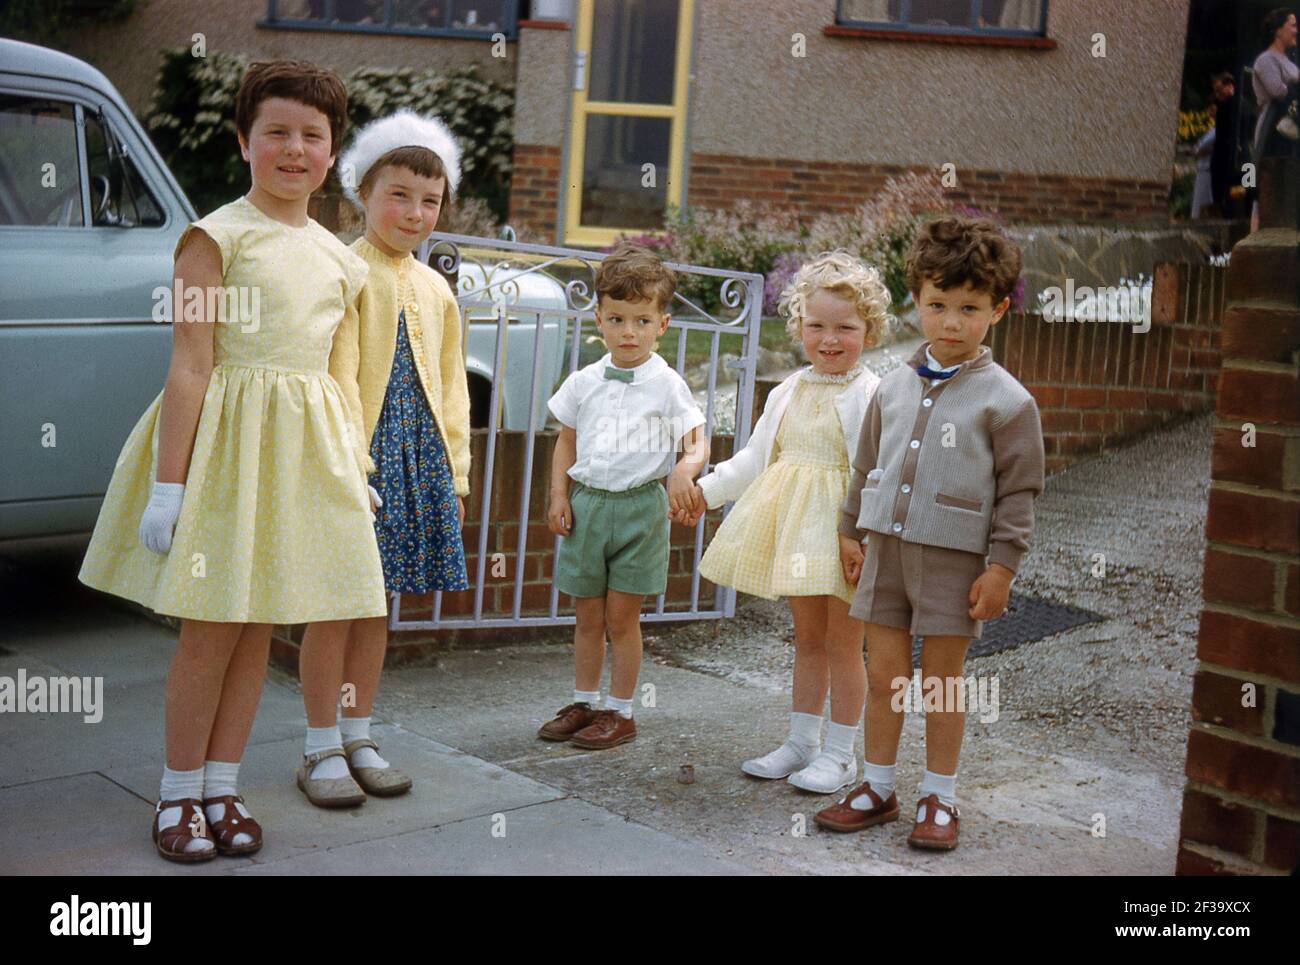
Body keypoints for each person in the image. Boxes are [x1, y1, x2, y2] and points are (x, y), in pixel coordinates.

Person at [78, 60, 385, 861]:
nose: (294, 149)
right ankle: (177, 795)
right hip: (222, 461)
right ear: (244, 142)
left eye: (311, 137)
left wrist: (353, 465)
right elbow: (189, 364)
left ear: (332, 153)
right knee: (212, 633)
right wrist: (167, 487)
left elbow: (338, 377)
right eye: (276, 132)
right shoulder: (211, 238)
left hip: (296, 463)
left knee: (257, 633)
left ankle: (223, 785)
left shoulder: (342, 259)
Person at [815, 216, 1044, 851]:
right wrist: (849, 530)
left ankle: (939, 794)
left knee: (942, 681)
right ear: (916, 300)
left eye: (967, 308)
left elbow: (1021, 491)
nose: (949, 322)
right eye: (937, 305)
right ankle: (878, 786)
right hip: (885, 551)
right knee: (884, 672)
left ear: (996, 310)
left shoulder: (1007, 401)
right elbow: (867, 466)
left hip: (955, 561)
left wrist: (1001, 568)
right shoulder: (890, 386)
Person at [294, 110, 472, 807]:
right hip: (355, 460)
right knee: (333, 604)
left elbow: (453, 390)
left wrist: (455, 474)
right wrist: (348, 465)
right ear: (362, 190)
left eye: (429, 201)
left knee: (375, 603)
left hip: (414, 457)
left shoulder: (437, 288)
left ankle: (358, 731)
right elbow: (333, 376)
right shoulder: (342, 268)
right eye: (398, 194)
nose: (415, 211)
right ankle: (318, 745)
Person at [689, 251, 886, 794]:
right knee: (807, 640)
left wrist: (865, 537)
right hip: (799, 533)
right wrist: (704, 492)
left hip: (846, 538)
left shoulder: (872, 395)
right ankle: (802, 741)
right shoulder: (788, 390)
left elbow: (881, 474)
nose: (829, 339)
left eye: (845, 328)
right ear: (799, 326)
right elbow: (756, 459)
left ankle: (842, 755)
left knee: (847, 645)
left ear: (869, 331)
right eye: (816, 325)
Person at [538, 243, 709, 749]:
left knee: (621, 617)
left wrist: (685, 469)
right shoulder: (584, 381)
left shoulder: (668, 384)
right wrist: (558, 495)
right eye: (617, 319)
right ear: (599, 319)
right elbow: (565, 439)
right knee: (587, 614)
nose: (628, 332)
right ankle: (585, 701)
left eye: (641, 320)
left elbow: (696, 440)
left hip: (640, 510)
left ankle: (621, 710)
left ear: (663, 324)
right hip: (589, 504)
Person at [1251, 8, 1299, 230]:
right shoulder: (1265, 60)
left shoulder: (1289, 62)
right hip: (1272, 128)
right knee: (1263, 184)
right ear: (1278, 30)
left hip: (1292, 129)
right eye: (1292, 25)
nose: (1296, 30)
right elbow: (1278, 92)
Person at [1209, 71, 1239, 218]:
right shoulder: (1220, 103)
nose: (1218, 93)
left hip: (1230, 147)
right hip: (1221, 146)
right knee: (1217, 177)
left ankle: (1228, 207)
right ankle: (1220, 206)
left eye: (1220, 89)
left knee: (1227, 179)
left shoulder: (1234, 103)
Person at [1192, 102, 1217, 219]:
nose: (1209, 112)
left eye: (1211, 108)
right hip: (1202, 169)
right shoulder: (1212, 129)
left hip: (1208, 169)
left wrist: (1204, 151)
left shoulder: (1218, 131)